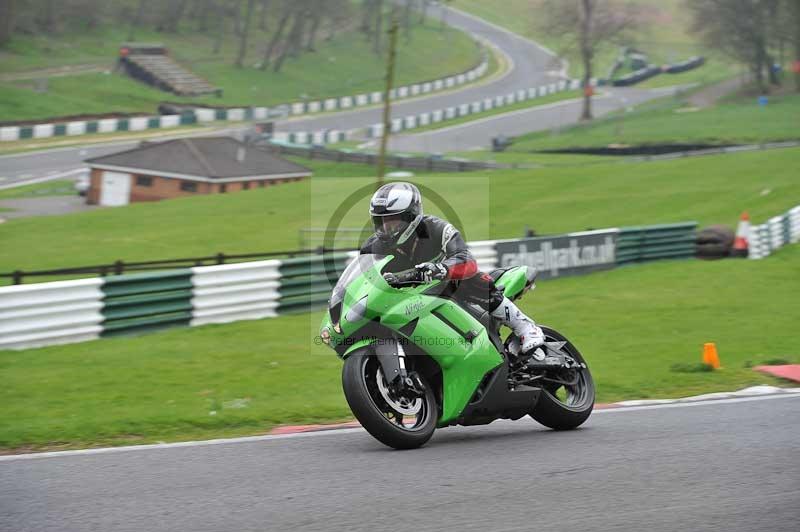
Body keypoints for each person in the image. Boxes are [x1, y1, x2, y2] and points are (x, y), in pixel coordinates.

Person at [361, 182, 545, 354]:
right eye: (381, 221)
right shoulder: (372, 248)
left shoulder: (436, 229)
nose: (386, 228)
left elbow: (467, 261)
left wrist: (439, 269)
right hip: (409, 301)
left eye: (393, 221)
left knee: (470, 278)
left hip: (449, 290)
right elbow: (362, 281)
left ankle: (525, 326)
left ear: (411, 216)